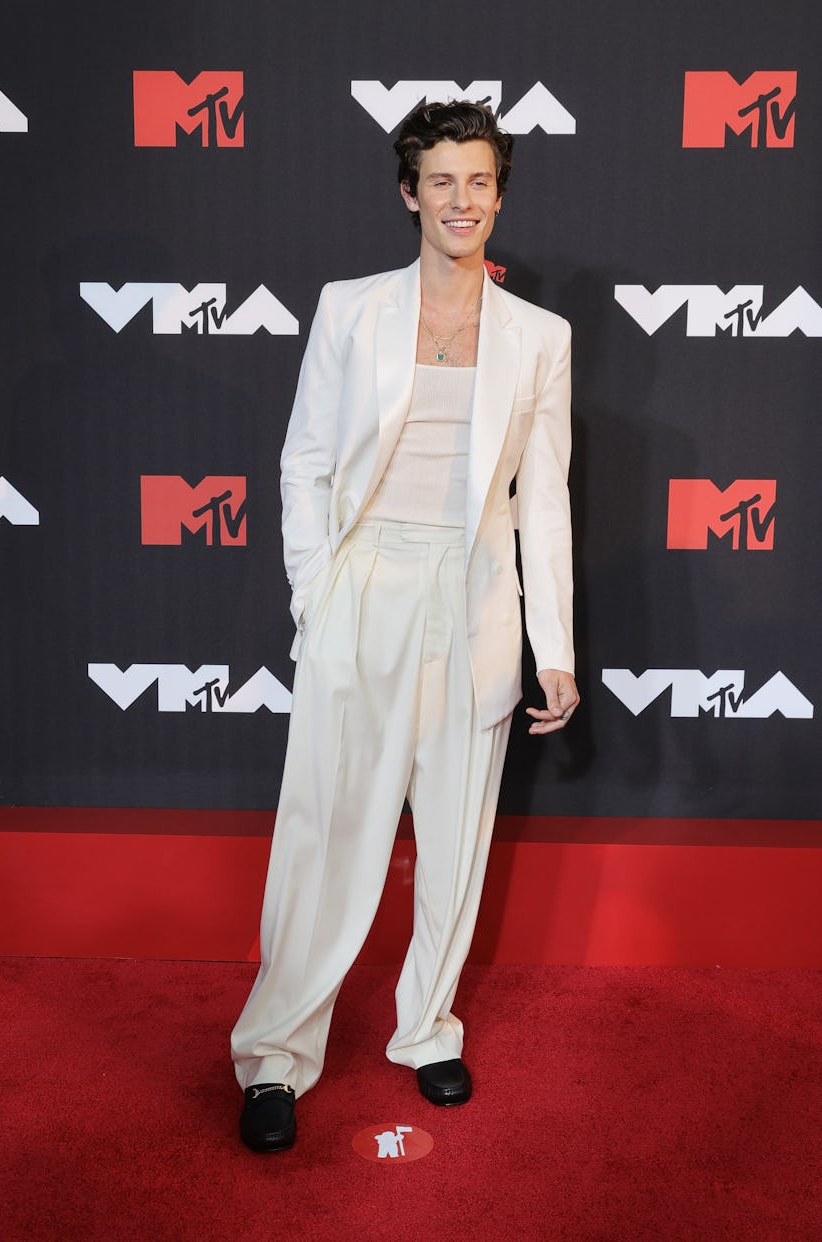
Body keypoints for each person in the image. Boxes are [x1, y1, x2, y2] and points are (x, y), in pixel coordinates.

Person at [231, 100, 579, 1152]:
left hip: (473, 598)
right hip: (365, 581)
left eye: (479, 182)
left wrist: (553, 648)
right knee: (325, 836)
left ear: (499, 194)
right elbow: (303, 460)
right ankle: (274, 1061)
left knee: (456, 838)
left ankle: (427, 1033)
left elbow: (544, 498)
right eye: (442, 182)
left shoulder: (540, 337)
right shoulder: (351, 309)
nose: (461, 201)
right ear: (409, 193)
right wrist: (315, 592)